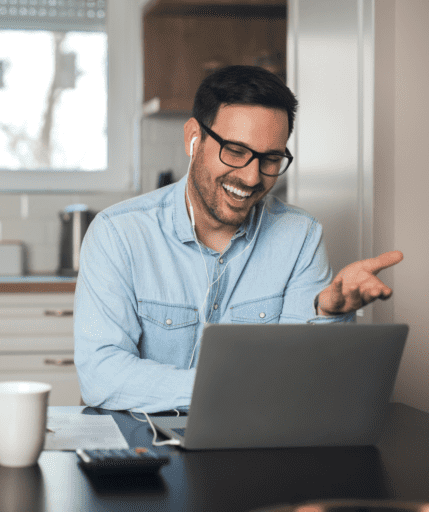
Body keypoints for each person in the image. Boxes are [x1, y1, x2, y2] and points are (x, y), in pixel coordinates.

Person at [73, 65, 403, 413]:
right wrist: (228, 388)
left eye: (271, 158)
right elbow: (101, 374)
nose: (250, 176)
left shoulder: (300, 236)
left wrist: (326, 312)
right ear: (193, 138)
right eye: (234, 150)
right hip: (143, 450)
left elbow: (300, 378)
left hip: (255, 445)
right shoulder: (117, 234)